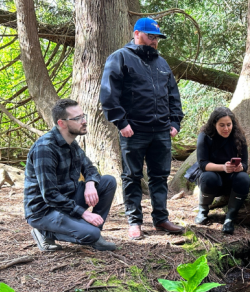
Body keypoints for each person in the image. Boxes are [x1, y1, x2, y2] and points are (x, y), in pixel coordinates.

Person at [100, 17, 185, 240]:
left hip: (161, 131)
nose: (154, 41)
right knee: (132, 176)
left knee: (160, 176)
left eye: (157, 38)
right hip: (133, 130)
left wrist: (175, 122)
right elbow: (109, 94)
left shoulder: (162, 63)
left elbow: (173, 95)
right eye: (151, 36)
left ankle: (161, 219)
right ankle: (134, 222)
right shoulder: (120, 58)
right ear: (137, 33)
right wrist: (121, 122)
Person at [24, 98, 118, 252]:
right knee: (90, 233)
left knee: (108, 182)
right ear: (62, 123)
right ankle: (44, 232)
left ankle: (94, 233)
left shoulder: (71, 143)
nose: (84, 121)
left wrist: (89, 184)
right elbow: (50, 195)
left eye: (83, 116)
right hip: (44, 210)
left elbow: (90, 168)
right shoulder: (45, 148)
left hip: (68, 199)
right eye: (78, 118)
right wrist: (84, 214)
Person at [194, 107, 250, 234]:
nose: (226, 129)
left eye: (229, 125)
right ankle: (203, 210)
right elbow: (202, 164)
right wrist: (223, 167)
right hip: (212, 178)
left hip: (231, 180)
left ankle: (230, 217)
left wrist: (240, 167)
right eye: (222, 125)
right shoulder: (205, 136)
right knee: (209, 177)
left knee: (244, 178)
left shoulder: (239, 137)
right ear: (214, 124)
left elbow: (245, 164)